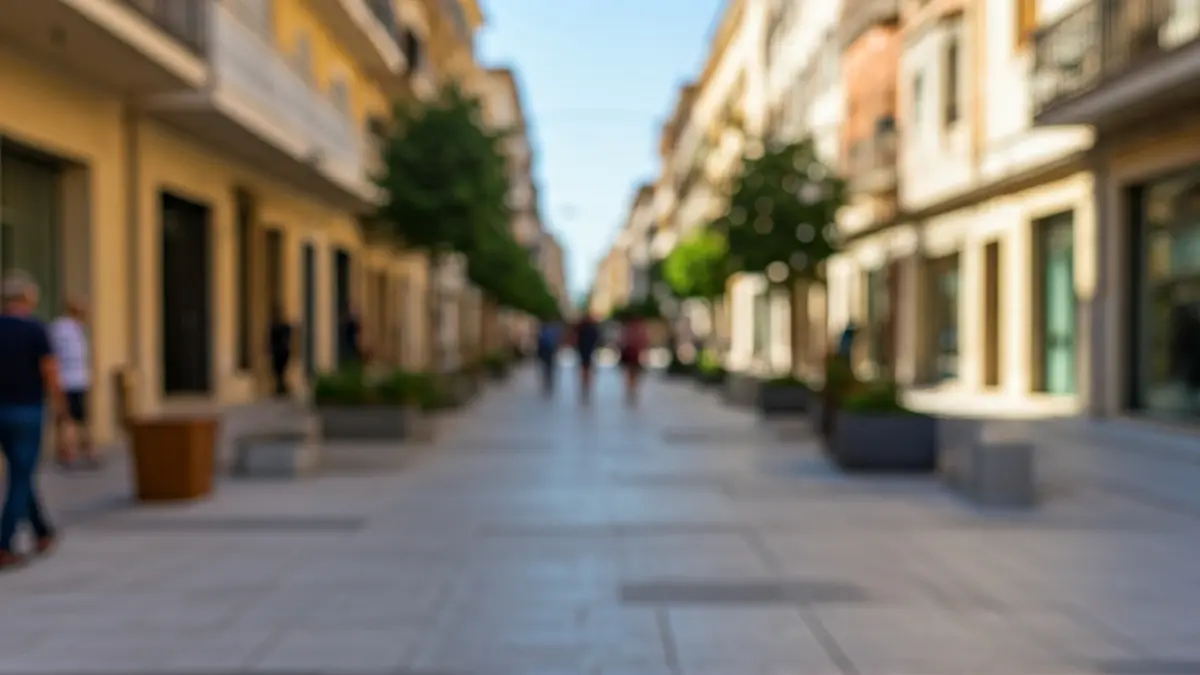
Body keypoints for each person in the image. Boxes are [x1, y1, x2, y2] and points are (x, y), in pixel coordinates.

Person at [0, 271, 63, 570]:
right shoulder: (35, 330)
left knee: (22, 472)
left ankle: (42, 531)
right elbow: (49, 371)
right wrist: (62, 410)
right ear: (28, 299)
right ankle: (4, 543)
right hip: (26, 410)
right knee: (21, 475)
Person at [49, 297, 98, 469]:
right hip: (68, 379)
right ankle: (70, 451)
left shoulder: (76, 328)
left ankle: (73, 450)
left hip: (76, 379)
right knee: (69, 417)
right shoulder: (63, 328)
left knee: (74, 417)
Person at [619, 315, 649, 406]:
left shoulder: (633, 330)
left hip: (635, 356)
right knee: (631, 373)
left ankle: (631, 390)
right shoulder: (633, 330)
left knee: (633, 374)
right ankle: (631, 390)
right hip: (631, 355)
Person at [574, 314, 601, 403]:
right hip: (586, 351)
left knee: (585, 369)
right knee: (586, 369)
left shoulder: (583, 329)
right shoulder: (590, 329)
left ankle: (585, 385)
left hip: (585, 351)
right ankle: (586, 385)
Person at [268, 305, 294, 397]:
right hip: (282, 351)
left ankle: (281, 389)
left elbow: (271, 340)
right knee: (280, 372)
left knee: (279, 372)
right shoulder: (283, 327)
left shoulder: (277, 327)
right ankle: (281, 389)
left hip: (280, 352)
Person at [536, 321, 561, 398]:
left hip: (546, 352)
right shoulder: (552, 332)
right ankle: (549, 382)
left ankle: (547, 382)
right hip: (549, 352)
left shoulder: (543, 332)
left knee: (547, 368)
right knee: (549, 368)